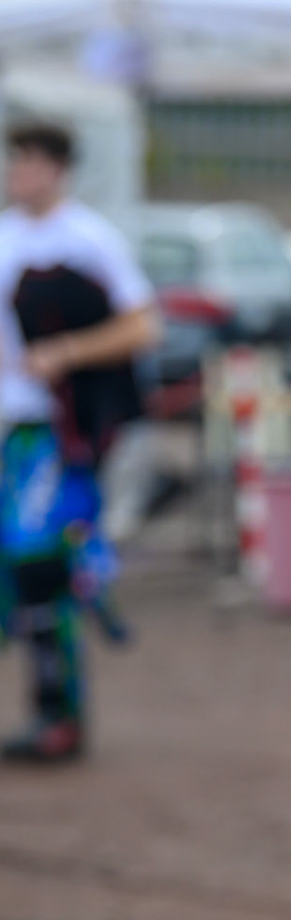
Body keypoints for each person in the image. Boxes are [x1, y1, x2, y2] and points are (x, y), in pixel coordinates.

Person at [0, 122, 159, 761]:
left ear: (58, 168)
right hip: (13, 428)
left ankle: (59, 714)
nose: (19, 173)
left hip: (55, 433)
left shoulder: (89, 238)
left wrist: (68, 350)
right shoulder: (6, 234)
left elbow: (144, 326)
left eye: (30, 162)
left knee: (38, 563)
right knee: (19, 572)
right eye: (15, 161)